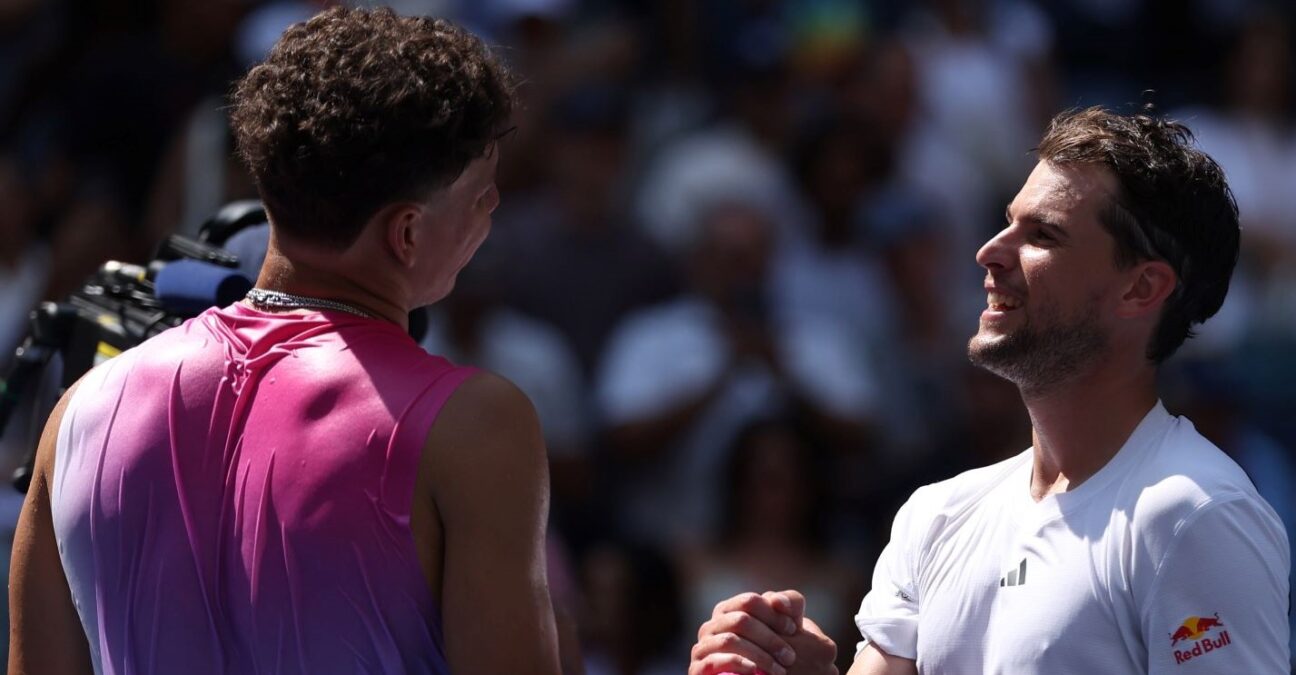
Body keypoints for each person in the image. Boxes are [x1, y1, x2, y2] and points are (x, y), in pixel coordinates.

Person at [9, 7, 562, 674]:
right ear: (407, 234)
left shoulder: (79, 413)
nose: (494, 205)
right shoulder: (477, 426)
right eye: (481, 193)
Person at [688, 107, 1291, 675]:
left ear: (1140, 290)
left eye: (1043, 235)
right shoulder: (935, 515)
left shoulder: (1197, 517)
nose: (989, 251)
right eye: (1008, 223)